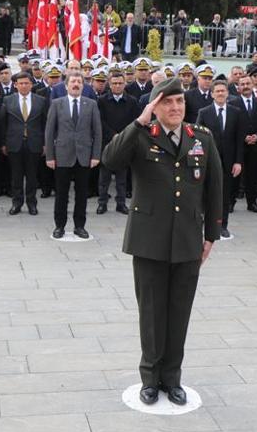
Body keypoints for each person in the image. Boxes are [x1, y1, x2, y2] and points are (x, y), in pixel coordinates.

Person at [101, 77, 222, 405]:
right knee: (152, 312)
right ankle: (150, 377)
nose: (175, 108)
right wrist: (139, 122)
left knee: (179, 311)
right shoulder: (141, 136)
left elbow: (214, 189)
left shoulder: (202, 138)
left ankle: (172, 377)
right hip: (149, 240)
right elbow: (110, 160)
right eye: (167, 102)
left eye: (179, 102)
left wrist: (211, 235)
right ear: (154, 107)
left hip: (187, 239)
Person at [45, 70, 102, 239]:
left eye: (79, 82)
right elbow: (49, 132)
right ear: (66, 85)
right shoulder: (57, 103)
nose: (76, 84)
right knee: (61, 194)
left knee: (82, 194)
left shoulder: (91, 104)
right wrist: (49, 156)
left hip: (84, 156)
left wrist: (96, 155)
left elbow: (97, 132)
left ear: (83, 86)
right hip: (62, 155)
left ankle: (80, 226)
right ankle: (59, 226)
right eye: (73, 82)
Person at [196, 80, 243, 238]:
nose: (221, 93)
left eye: (223, 91)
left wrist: (238, 161)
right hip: (208, 160)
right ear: (212, 94)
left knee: (225, 194)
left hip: (229, 162)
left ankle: (223, 225)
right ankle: (202, 221)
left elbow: (239, 139)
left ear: (228, 93)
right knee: (205, 192)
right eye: (217, 91)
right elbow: (198, 138)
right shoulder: (204, 112)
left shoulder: (236, 112)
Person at [0, 71, 48, 215]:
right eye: (21, 83)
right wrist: (3, 143)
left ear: (31, 84)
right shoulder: (8, 100)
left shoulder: (41, 100)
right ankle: (17, 203)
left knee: (32, 176)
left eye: (27, 83)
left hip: (34, 143)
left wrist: (45, 143)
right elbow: (3, 123)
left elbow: (45, 123)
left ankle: (32, 203)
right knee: (16, 176)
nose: (24, 86)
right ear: (16, 85)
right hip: (15, 143)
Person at [97, 71, 140, 214]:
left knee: (122, 177)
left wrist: (123, 135)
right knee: (104, 176)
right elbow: (100, 121)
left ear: (124, 84)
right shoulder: (102, 101)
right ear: (109, 84)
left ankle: (121, 204)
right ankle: (102, 203)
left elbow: (135, 121)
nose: (117, 86)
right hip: (107, 143)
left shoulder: (132, 101)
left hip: (125, 142)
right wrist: (113, 135)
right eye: (114, 83)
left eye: (120, 83)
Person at [229, 73, 257, 213]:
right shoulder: (233, 103)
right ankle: (230, 202)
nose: (245, 86)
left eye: (248, 84)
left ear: (252, 85)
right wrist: (244, 136)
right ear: (238, 87)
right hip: (239, 146)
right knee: (235, 175)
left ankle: (252, 203)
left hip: (256, 146)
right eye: (242, 84)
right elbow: (231, 125)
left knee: (253, 176)